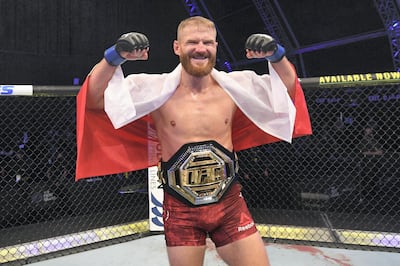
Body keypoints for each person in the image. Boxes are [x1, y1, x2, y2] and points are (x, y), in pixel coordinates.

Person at [76, 16, 312, 266]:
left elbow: (287, 91)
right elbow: (93, 99)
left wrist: (276, 56)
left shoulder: (235, 86)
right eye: (192, 42)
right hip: (180, 209)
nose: (200, 48)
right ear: (177, 47)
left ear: (215, 46)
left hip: (228, 203)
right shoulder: (154, 90)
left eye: (207, 42)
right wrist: (114, 57)